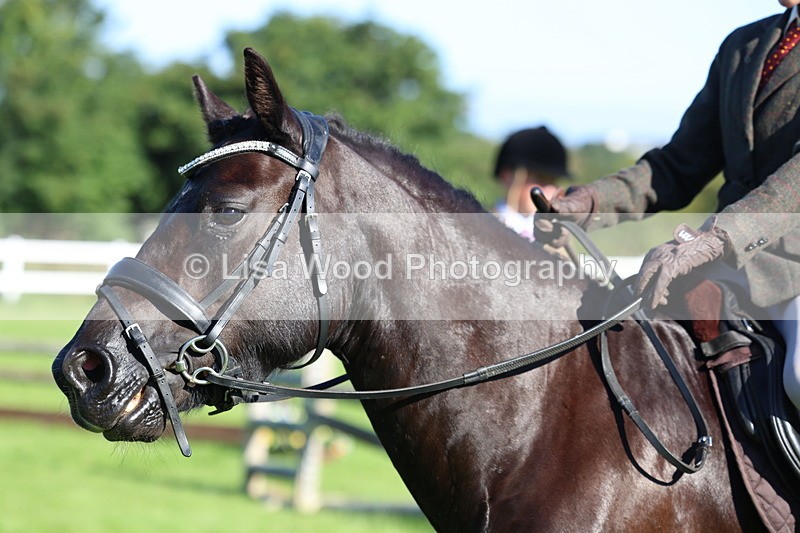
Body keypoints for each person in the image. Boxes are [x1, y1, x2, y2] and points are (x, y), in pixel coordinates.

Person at [535, 1, 800, 410]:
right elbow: (678, 164)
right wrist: (587, 204)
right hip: (735, 266)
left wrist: (715, 238)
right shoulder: (743, 45)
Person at [493, 126, 570, 240]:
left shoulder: (557, 238)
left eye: (553, 181)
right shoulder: (483, 227)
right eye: (540, 179)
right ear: (508, 176)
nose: (551, 190)